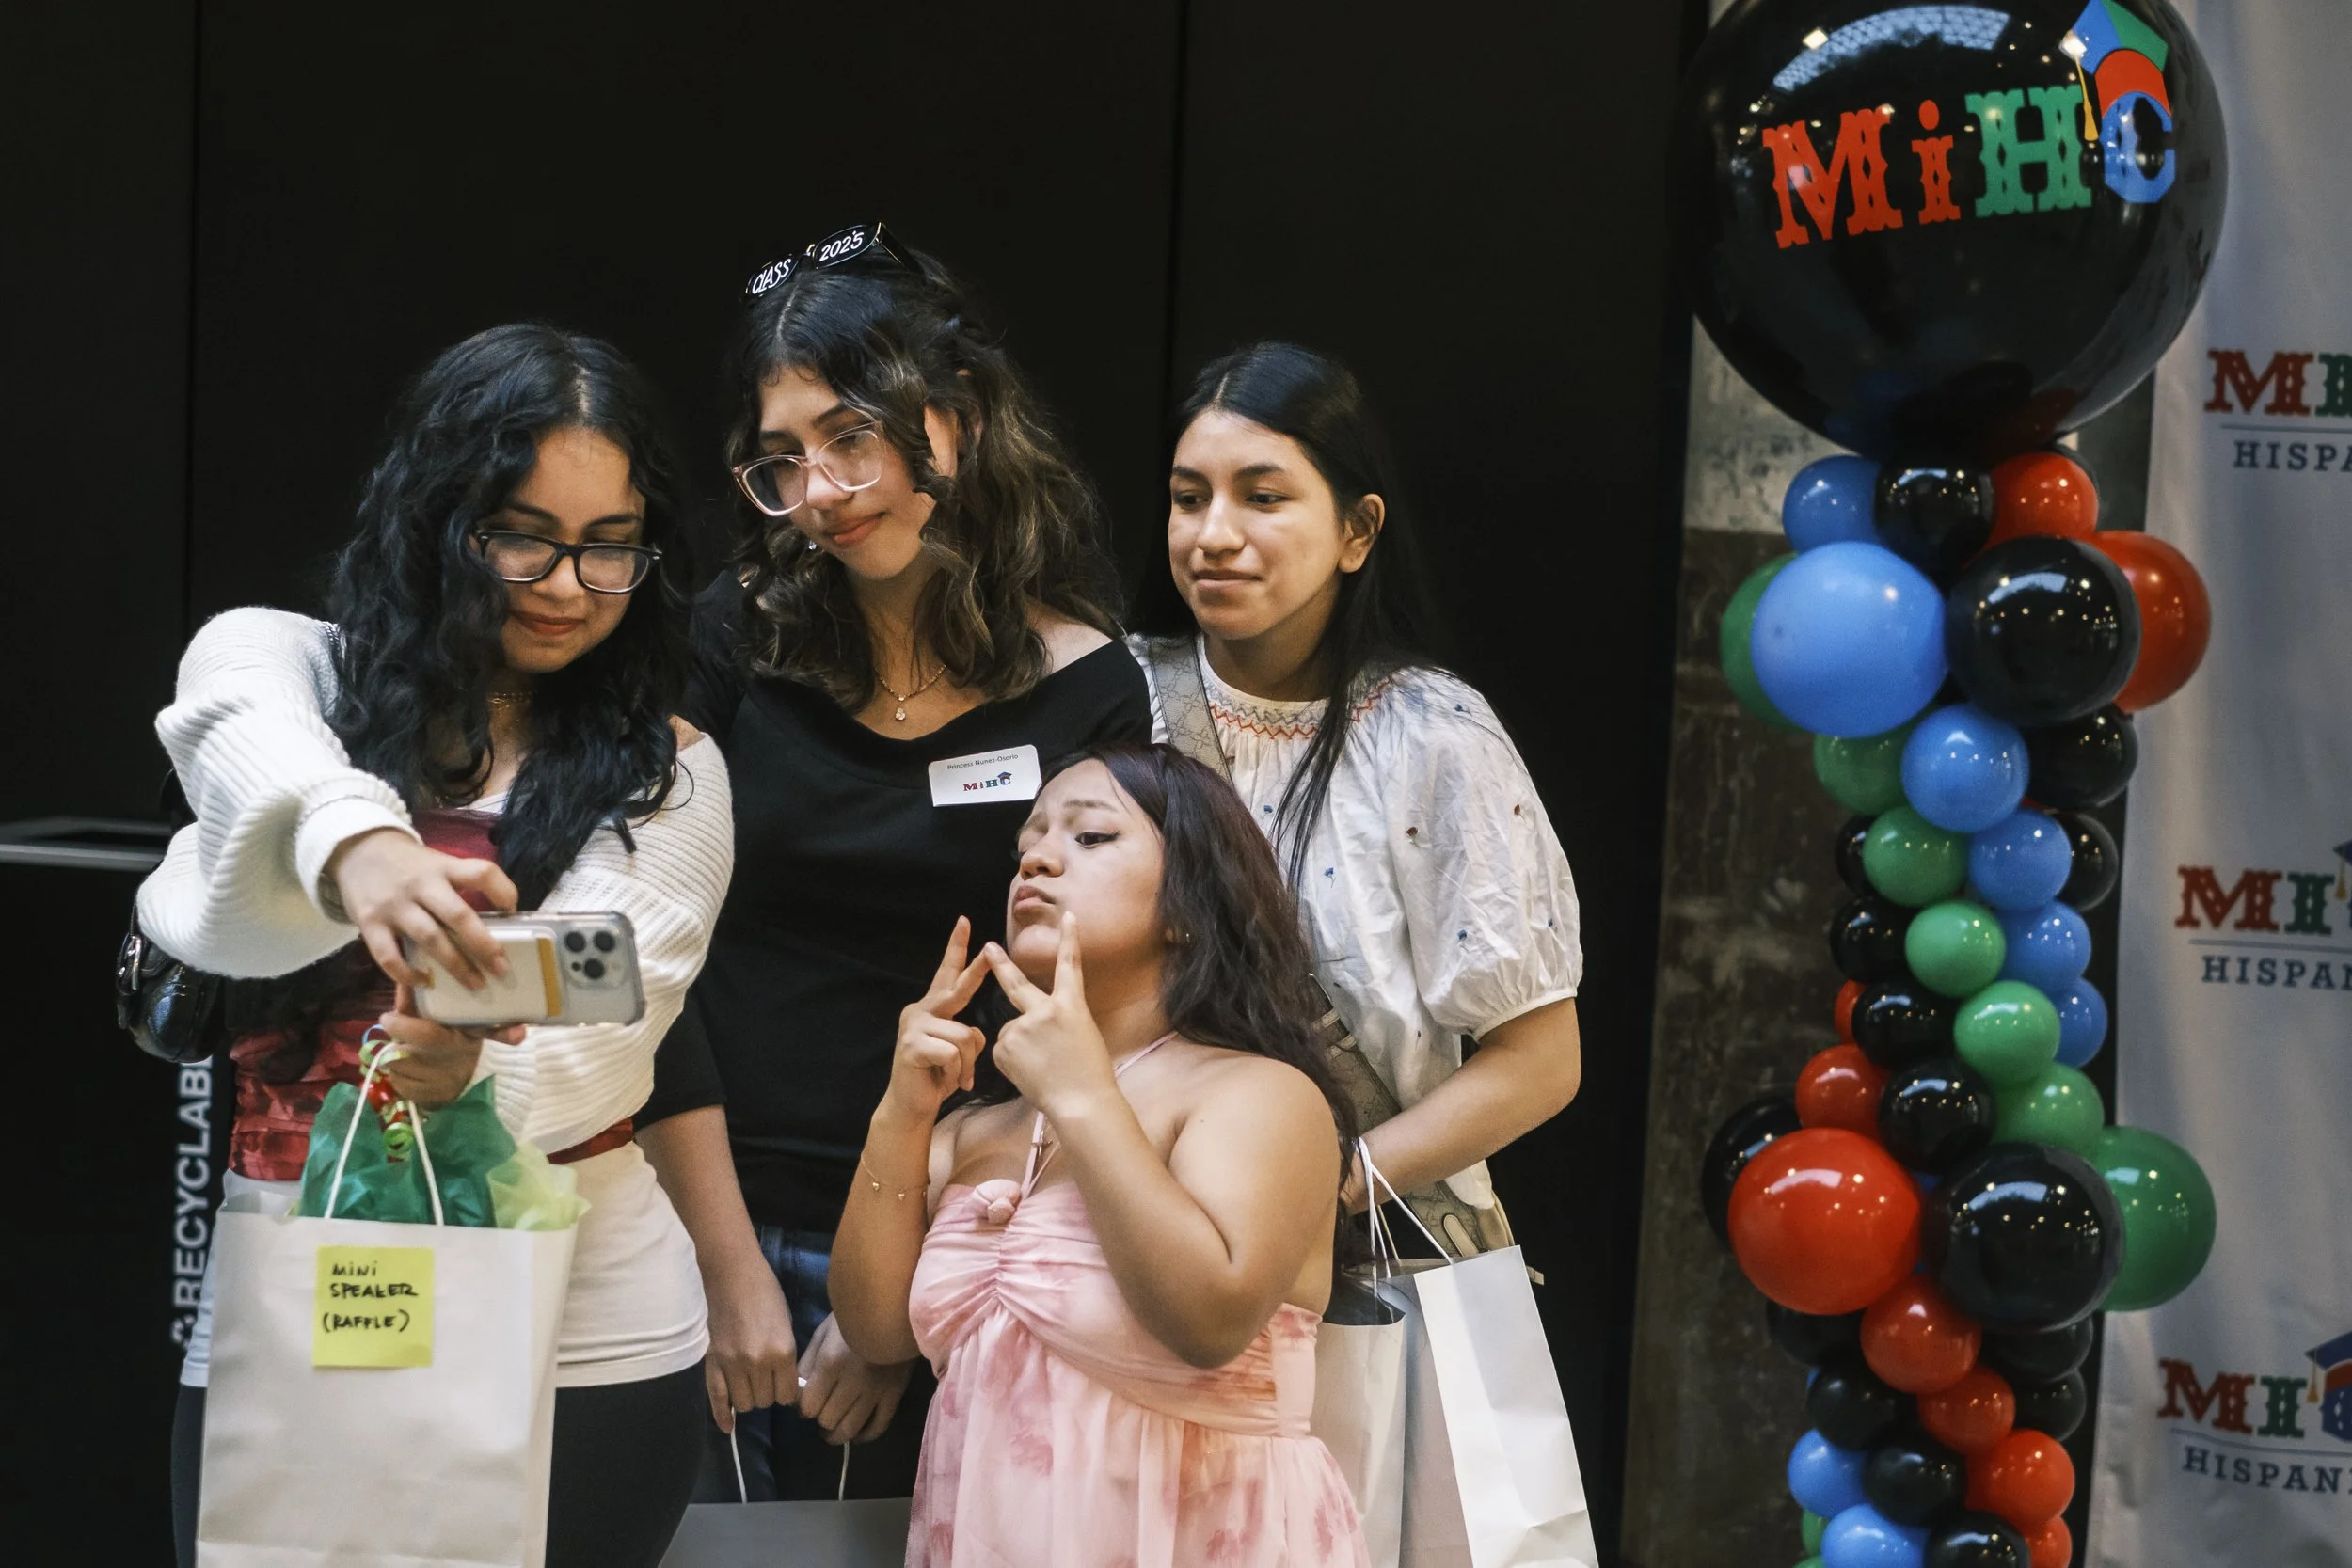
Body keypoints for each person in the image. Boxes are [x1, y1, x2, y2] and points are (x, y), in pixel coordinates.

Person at [142, 325, 733, 1568]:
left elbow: (614, 1028)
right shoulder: (294, 671)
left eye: (610, 544)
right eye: (522, 531)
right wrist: (371, 848)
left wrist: (476, 1078)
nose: (568, 582)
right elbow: (230, 704)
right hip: (299, 1265)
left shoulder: (671, 769)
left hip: (584, 1313)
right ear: (435, 515)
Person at [631, 222, 1151, 1501]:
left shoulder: (1089, 686)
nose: (820, 489)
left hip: (951, 1237)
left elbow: (1093, 1007)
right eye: (781, 459)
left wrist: (908, 1302)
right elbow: (643, 943)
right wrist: (722, 1260)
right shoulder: (728, 639)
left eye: (852, 436)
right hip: (694, 1214)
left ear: (956, 415)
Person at [829, 743, 1371, 1566]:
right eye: (1027, 844)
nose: (1037, 858)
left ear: (1190, 899)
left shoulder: (1259, 1093)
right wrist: (901, 1109)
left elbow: (1209, 1319)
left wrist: (1085, 1097)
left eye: (1089, 838)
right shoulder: (975, 1127)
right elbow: (872, 1330)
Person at [1130, 341, 1583, 1253]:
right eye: (1189, 497)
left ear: (1357, 530)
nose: (1213, 531)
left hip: (1365, 1248)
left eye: (1263, 496)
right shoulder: (1110, 694)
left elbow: (1539, 1063)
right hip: (1135, 1232)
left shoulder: (1431, 734)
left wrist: (1323, 1187)